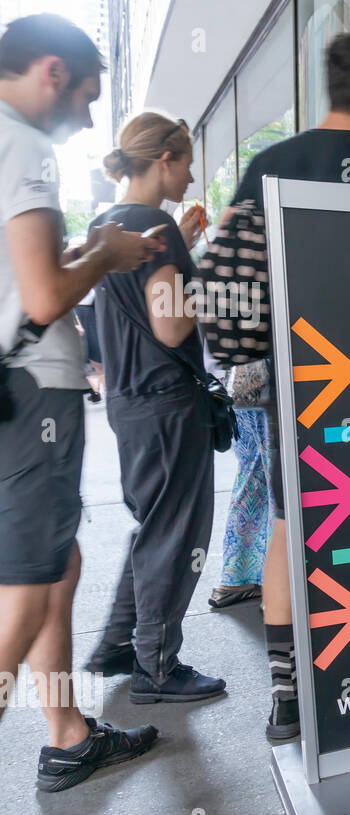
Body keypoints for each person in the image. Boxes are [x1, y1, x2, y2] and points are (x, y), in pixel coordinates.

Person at [0, 13, 162, 815]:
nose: (92, 119)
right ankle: (61, 731)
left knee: (53, 567)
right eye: (91, 94)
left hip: (16, 390)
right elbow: (42, 295)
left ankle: (66, 731)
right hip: (36, 392)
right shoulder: (23, 146)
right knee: (25, 589)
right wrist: (103, 251)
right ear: (54, 71)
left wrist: (83, 248)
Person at [228, 30, 350, 740]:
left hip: (292, 372)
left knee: (290, 522)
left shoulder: (271, 163)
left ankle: (287, 692)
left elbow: (233, 270)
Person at [81, 112, 225, 703]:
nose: (192, 175)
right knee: (176, 533)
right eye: (188, 161)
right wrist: (203, 275)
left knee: (154, 528)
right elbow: (170, 327)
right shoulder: (155, 228)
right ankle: (157, 667)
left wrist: (181, 249)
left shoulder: (106, 224)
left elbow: (129, 316)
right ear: (165, 158)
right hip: (169, 403)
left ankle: (121, 644)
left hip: (129, 402)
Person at [209, 359, 273, 609]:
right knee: (280, 482)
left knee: (251, 477)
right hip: (272, 386)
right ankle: (279, 588)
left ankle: (236, 577)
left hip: (238, 387)